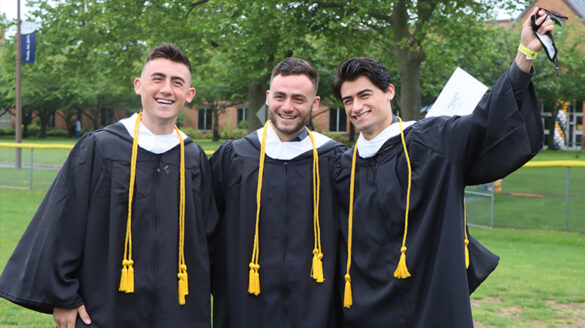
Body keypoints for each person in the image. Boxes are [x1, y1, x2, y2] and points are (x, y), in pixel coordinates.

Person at [333, 8, 553, 327]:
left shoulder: (432, 142)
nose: (356, 107)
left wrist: (525, 54)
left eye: (365, 95)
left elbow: (487, 119)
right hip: (364, 310)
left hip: (428, 303)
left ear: (389, 92)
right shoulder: (343, 167)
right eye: (347, 100)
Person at [0, 43, 217, 327]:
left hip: (176, 310)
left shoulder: (193, 158)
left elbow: (207, 237)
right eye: (158, 79)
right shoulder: (100, 147)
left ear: (189, 95)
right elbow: (64, 221)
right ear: (139, 86)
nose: (167, 89)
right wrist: (64, 296)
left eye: (177, 83)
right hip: (104, 307)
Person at [210, 57, 346, 327]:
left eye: (298, 99)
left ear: (315, 104)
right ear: (268, 97)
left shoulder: (334, 160)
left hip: (315, 305)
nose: (287, 107)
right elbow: (205, 229)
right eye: (280, 96)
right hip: (246, 303)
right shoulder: (234, 157)